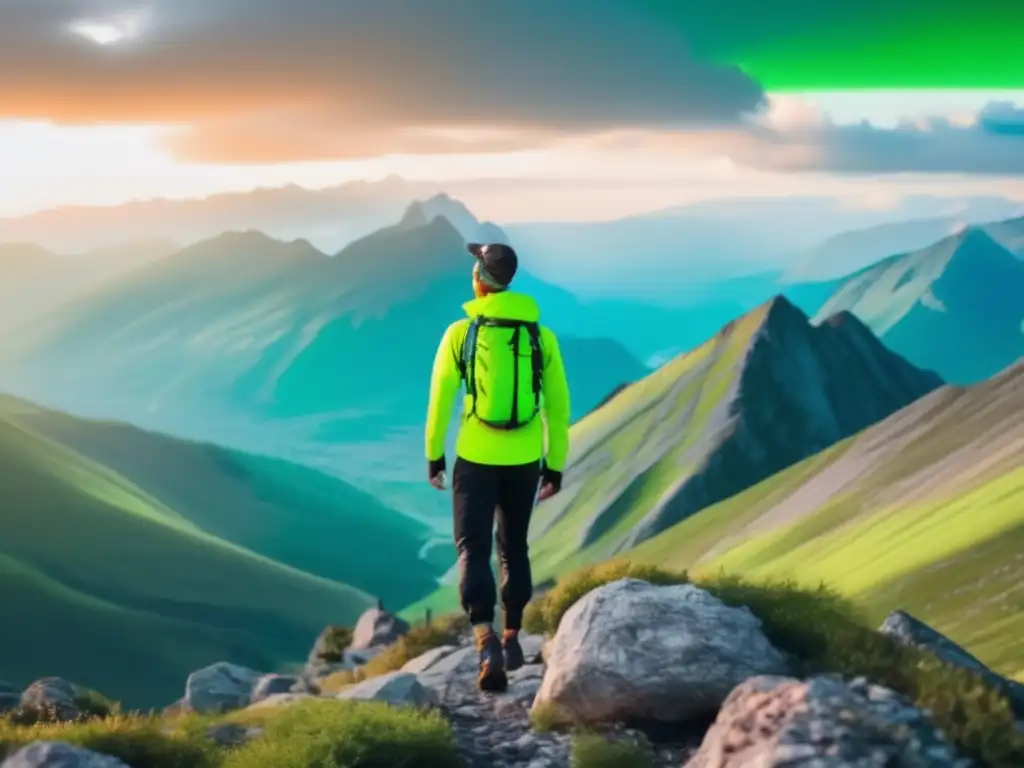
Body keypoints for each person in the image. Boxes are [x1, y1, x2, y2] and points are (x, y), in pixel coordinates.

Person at [425, 242, 570, 692]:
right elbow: (558, 408)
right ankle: (513, 637)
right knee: (515, 547)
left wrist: (435, 456)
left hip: (475, 457)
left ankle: (484, 639)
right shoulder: (540, 337)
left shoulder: (460, 333)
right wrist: (555, 466)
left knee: (472, 548)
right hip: (525, 459)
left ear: (480, 279)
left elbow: (440, 402)